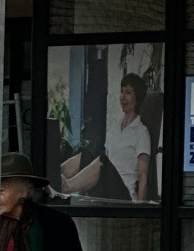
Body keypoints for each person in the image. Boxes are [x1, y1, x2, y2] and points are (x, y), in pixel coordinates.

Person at [60, 72, 153, 202]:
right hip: (106, 189)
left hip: (124, 196)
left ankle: (67, 187)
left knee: (103, 160)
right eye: (121, 92)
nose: (122, 97)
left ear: (137, 98)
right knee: (86, 155)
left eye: (128, 92)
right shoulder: (114, 130)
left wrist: (140, 212)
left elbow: (143, 177)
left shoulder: (141, 132)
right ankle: (53, 178)